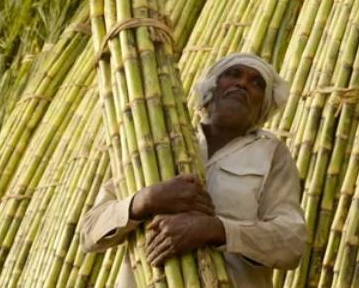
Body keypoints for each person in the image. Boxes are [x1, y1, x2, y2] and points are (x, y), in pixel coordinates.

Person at [80, 53, 306, 288]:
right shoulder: (157, 142)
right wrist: (145, 200)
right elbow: (89, 232)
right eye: (233, 74)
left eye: (257, 83)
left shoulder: (272, 155)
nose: (243, 84)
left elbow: (291, 241)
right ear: (211, 88)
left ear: (263, 107)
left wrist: (217, 230)